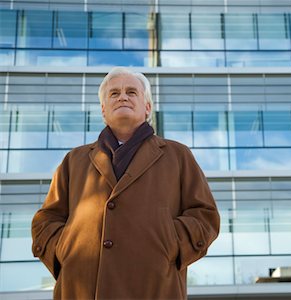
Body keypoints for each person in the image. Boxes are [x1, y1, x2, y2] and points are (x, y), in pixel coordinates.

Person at [31, 67, 220, 300]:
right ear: (103, 110)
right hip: (81, 290)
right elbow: (45, 221)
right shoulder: (74, 160)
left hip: (155, 287)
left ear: (147, 107)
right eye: (114, 93)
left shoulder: (178, 155)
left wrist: (169, 244)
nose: (122, 96)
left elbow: (204, 215)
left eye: (132, 92)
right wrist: (65, 251)